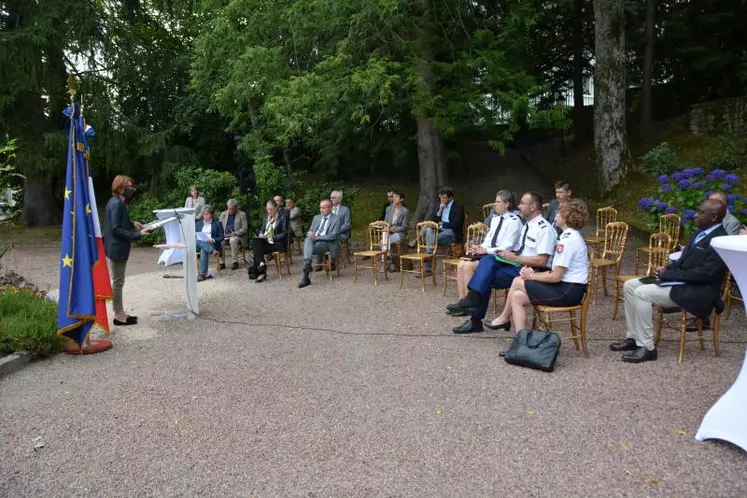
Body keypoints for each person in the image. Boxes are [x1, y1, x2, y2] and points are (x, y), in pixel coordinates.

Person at [609, 199, 728, 363]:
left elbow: (705, 274)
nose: (695, 215)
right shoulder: (701, 232)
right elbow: (683, 261)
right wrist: (666, 270)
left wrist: (669, 275)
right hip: (682, 283)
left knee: (642, 293)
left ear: (714, 217)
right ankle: (634, 338)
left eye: (700, 212)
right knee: (630, 285)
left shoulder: (720, 240)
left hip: (698, 291)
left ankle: (647, 348)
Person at [448, 191, 556, 333]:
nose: (518, 206)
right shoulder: (528, 225)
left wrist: (514, 257)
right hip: (517, 264)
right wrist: (507, 255)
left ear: (533, 207)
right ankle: (473, 311)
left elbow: (542, 261)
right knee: (486, 266)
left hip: (530, 271)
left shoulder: (544, 229)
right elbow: (519, 249)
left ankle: (473, 311)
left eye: (523, 203)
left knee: (485, 271)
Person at [483, 199, 590, 335]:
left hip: (568, 291)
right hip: (565, 286)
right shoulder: (569, 237)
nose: (555, 215)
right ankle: (522, 340)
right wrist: (532, 274)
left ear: (566, 216)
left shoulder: (568, 240)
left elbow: (556, 276)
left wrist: (532, 276)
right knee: (517, 296)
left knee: (517, 281)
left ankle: (505, 319)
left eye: (558, 212)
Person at [453, 190, 523, 304]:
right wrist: (479, 247)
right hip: (490, 254)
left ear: (507, 204)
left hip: (505, 258)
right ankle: (462, 300)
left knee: (468, 266)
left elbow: (507, 247)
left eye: (498, 202)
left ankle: (470, 303)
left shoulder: (514, 221)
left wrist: (485, 250)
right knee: (461, 264)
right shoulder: (495, 219)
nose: (495, 204)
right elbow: (489, 240)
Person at [104, 175, 149, 326]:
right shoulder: (117, 204)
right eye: (128, 187)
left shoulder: (114, 202)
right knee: (118, 281)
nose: (131, 190)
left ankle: (120, 312)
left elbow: (117, 221)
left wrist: (131, 223)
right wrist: (137, 234)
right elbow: (116, 228)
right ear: (120, 188)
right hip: (117, 248)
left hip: (115, 247)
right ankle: (118, 316)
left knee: (118, 281)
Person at [298, 199, 342, 288]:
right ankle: (307, 265)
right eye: (320, 208)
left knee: (308, 246)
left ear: (330, 208)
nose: (321, 210)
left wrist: (317, 237)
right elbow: (311, 230)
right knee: (307, 239)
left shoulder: (336, 219)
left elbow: (333, 236)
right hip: (314, 241)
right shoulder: (316, 217)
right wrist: (309, 233)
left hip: (327, 243)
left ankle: (306, 275)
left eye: (324, 208)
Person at [423, 187, 465, 272]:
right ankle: (428, 256)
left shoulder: (458, 207)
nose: (442, 200)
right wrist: (439, 211)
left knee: (429, 238)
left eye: (444, 198)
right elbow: (432, 221)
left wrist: (443, 224)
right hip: (439, 230)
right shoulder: (439, 205)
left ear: (450, 197)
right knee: (427, 228)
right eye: (440, 197)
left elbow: (457, 224)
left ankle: (428, 264)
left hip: (451, 232)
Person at [249, 199, 287, 283]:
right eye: (268, 209)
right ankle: (261, 265)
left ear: (276, 208)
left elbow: (284, 234)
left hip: (277, 243)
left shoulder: (282, 218)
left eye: (271, 209)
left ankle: (260, 270)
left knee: (256, 246)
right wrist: (261, 234)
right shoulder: (266, 218)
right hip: (265, 242)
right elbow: (262, 230)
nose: (269, 211)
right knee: (255, 241)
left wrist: (271, 238)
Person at [195, 205, 224, 282]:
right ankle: (211, 251)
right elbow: (195, 235)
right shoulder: (198, 224)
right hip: (199, 243)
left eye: (207, 214)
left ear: (211, 214)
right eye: (204, 214)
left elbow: (222, 237)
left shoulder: (217, 223)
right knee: (196, 240)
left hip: (212, 244)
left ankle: (202, 275)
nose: (205, 216)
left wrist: (213, 240)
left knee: (203, 250)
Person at [219, 199, 249, 270]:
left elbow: (245, 228)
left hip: (238, 236)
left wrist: (235, 233)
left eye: (232, 209)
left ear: (236, 207)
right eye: (229, 208)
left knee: (233, 240)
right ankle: (222, 262)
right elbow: (219, 226)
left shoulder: (242, 214)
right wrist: (222, 234)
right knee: (220, 241)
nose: (230, 210)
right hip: (225, 235)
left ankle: (235, 262)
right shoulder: (223, 214)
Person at [384, 190, 409, 272]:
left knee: (384, 241)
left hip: (399, 233)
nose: (394, 198)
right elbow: (386, 222)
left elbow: (404, 227)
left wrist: (391, 229)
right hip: (388, 232)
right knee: (384, 237)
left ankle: (385, 261)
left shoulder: (404, 211)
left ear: (401, 199)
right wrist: (386, 228)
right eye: (393, 196)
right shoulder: (388, 209)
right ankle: (387, 258)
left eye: (396, 197)